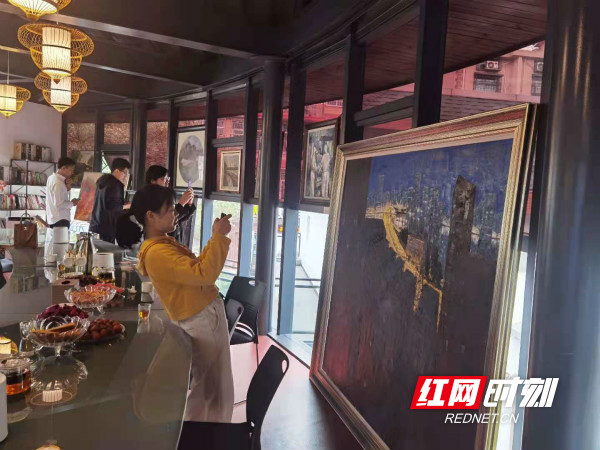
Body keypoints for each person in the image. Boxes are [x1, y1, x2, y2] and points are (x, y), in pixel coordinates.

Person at [115, 184, 234, 423]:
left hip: (198, 314)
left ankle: (202, 432)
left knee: (207, 383)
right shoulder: (158, 252)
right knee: (215, 387)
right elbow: (204, 273)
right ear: (151, 216)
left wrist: (215, 237)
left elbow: (196, 267)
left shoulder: (162, 244)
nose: (175, 213)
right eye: (170, 209)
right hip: (200, 315)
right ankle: (212, 434)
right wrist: (219, 238)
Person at [145, 165, 195, 243]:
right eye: (163, 179)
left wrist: (189, 204)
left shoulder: (166, 196)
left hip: (175, 239)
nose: (167, 181)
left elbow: (179, 219)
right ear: (153, 181)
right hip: (161, 242)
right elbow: (165, 221)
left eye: (167, 178)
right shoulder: (148, 198)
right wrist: (181, 203)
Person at [90, 158, 131, 243]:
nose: (126, 176)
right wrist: (127, 206)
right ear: (117, 171)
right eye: (125, 172)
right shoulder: (115, 184)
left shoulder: (103, 181)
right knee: (107, 249)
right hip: (108, 225)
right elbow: (113, 207)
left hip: (97, 223)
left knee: (98, 249)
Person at [45, 157, 79, 228]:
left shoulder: (51, 178)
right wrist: (72, 203)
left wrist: (67, 187)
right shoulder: (58, 182)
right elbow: (58, 204)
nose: (72, 172)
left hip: (55, 218)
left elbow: (58, 196)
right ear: (63, 168)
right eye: (71, 170)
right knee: (61, 236)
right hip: (60, 219)